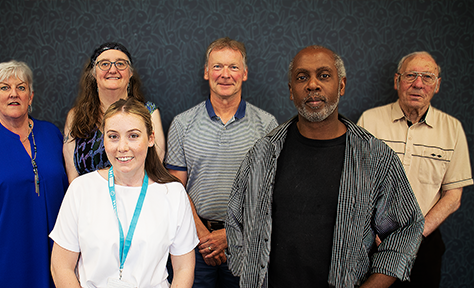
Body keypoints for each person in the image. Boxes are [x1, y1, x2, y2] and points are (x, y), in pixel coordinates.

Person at [226, 45, 425, 288]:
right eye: (302, 77)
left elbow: (406, 228)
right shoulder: (263, 153)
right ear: (291, 91)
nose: (312, 85)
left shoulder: (375, 157)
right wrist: (245, 270)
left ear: (341, 85)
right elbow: (235, 218)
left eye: (324, 75)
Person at [165, 37, 278, 287]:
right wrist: (203, 235)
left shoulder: (267, 125)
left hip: (248, 241)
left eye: (233, 67)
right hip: (194, 241)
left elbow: (271, 190)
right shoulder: (182, 124)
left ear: (245, 73)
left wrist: (229, 235)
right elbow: (174, 189)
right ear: (206, 72)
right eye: (217, 66)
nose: (225, 74)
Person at [50, 98, 198, 288]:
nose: (122, 147)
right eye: (113, 136)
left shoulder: (173, 193)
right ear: (103, 140)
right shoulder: (81, 189)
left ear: (151, 138)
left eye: (133, 136)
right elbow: (61, 266)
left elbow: (184, 269)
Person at [357, 51, 473, 287]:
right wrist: (371, 231)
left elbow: (453, 197)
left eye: (427, 77)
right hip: (373, 241)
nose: (418, 84)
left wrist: (414, 235)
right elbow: (356, 182)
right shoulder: (369, 121)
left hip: (425, 243)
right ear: (397, 81)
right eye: (411, 75)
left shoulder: (452, 128)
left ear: (437, 85)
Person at [0, 60, 68, 288]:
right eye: (4, 87)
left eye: (21, 87)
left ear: (30, 96)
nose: (14, 94)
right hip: (0, 263)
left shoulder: (51, 134)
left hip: (55, 260)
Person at [63, 42, 165, 183]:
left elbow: (155, 168)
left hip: (136, 200)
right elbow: (73, 177)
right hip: (90, 201)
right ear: (93, 73)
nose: (112, 70)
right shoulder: (75, 117)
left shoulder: (149, 113)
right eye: (104, 64)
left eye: (120, 64)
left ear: (130, 73)